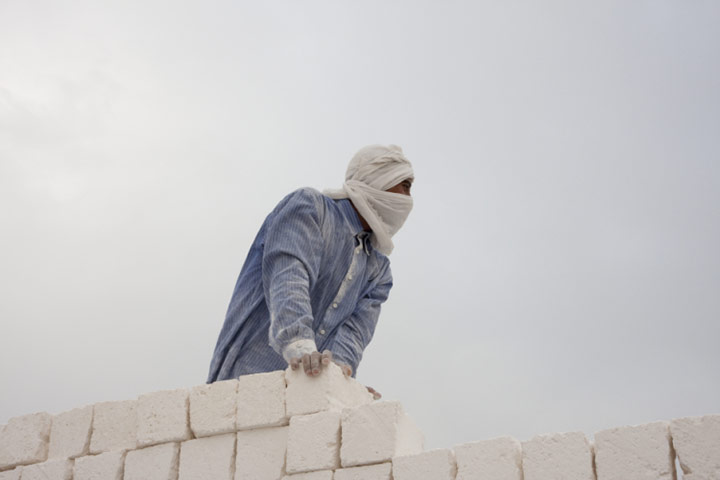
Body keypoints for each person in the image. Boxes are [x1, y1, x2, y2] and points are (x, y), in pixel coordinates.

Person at [207, 145, 414, 392]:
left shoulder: (378, 271)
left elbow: (354, 335)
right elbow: (289, 275)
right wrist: (299, 344)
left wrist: (341, 384)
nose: (407, 198)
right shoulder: (311, 208)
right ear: (378, 178)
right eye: (404, 185)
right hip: (242, 383)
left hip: (304, 397)